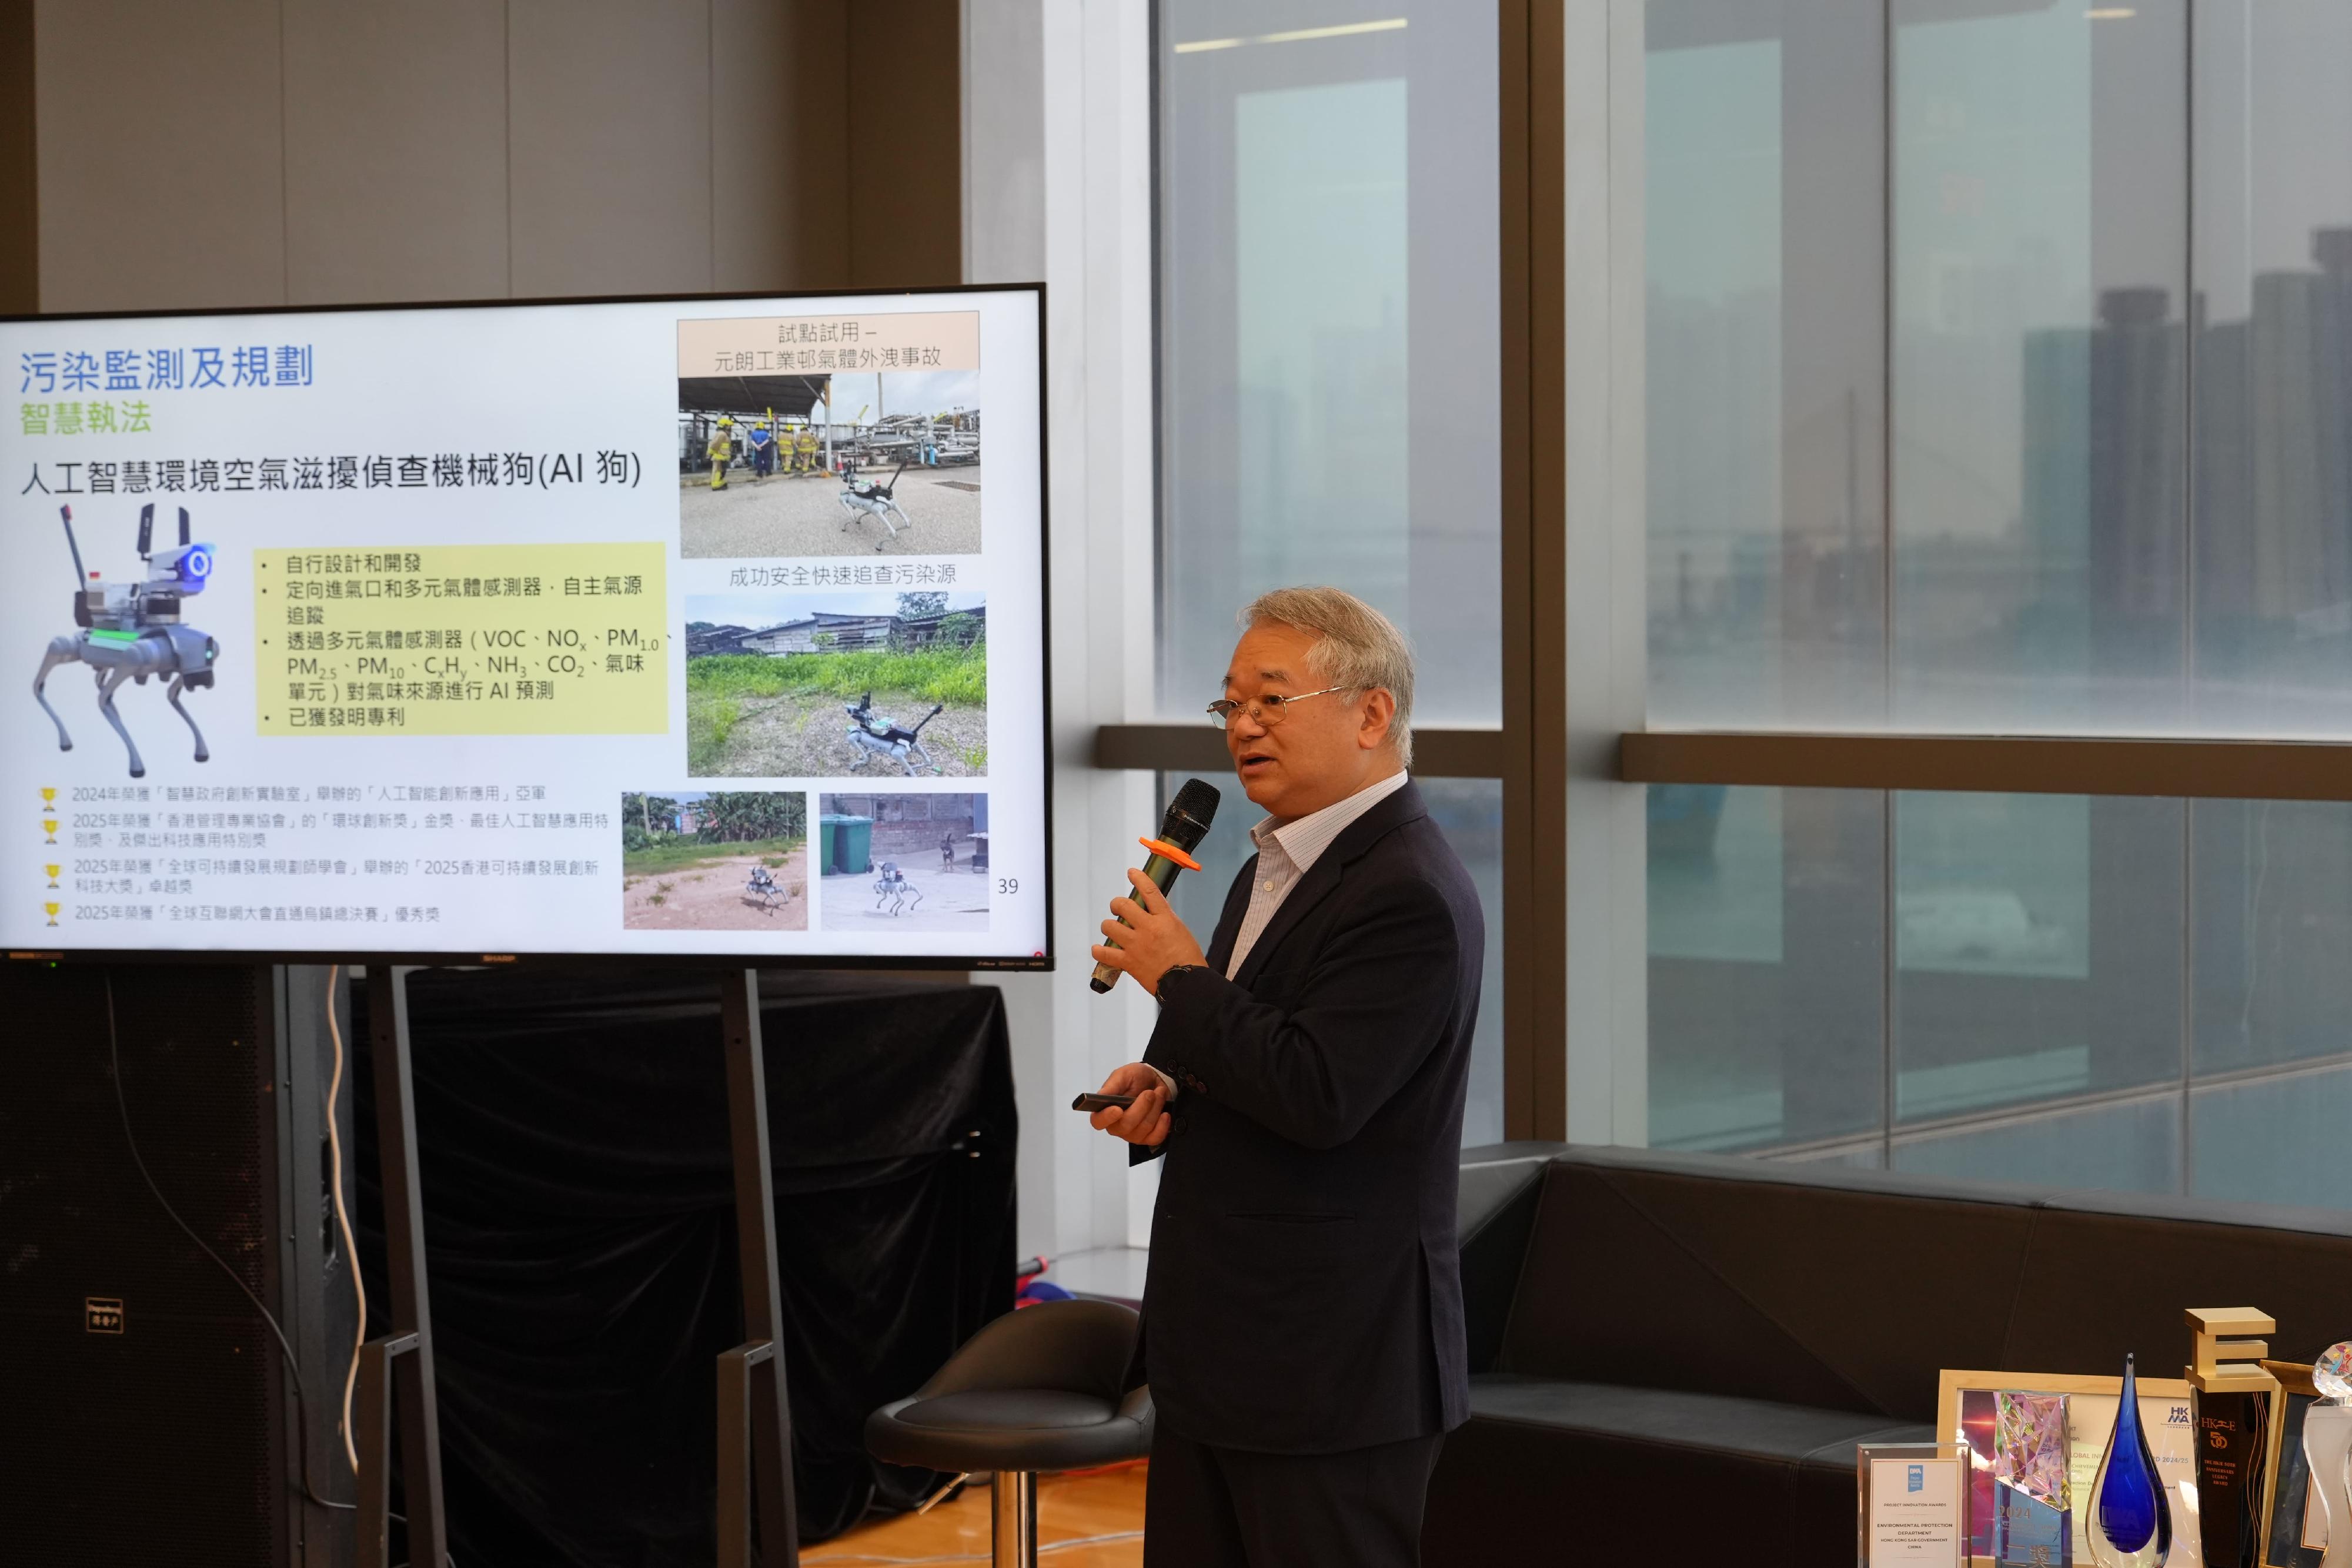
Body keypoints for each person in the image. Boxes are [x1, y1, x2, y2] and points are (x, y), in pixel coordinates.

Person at [1087, 586, 1484, 1568]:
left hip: (1332, 1371)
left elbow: (1320, 1095)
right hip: (1222, 1356)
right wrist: (1170, 1095)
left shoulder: (1409, 893)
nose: (1243, 726)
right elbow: (1255, 1053)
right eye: (1230, 705)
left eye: (1272, 700)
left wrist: (1177, 973)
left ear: (1372, 712)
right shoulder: (1269, 864)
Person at [706, 416, 734, 491]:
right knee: (718, 472)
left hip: (723, 457)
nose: (730, 427)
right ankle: (716, 485)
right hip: (719, 457)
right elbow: (714, 445)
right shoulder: (721, 434)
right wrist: (709, 454)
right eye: (729, 426)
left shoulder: (724, 434)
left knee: (721, 472)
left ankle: (719, 483)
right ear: (724, 426)